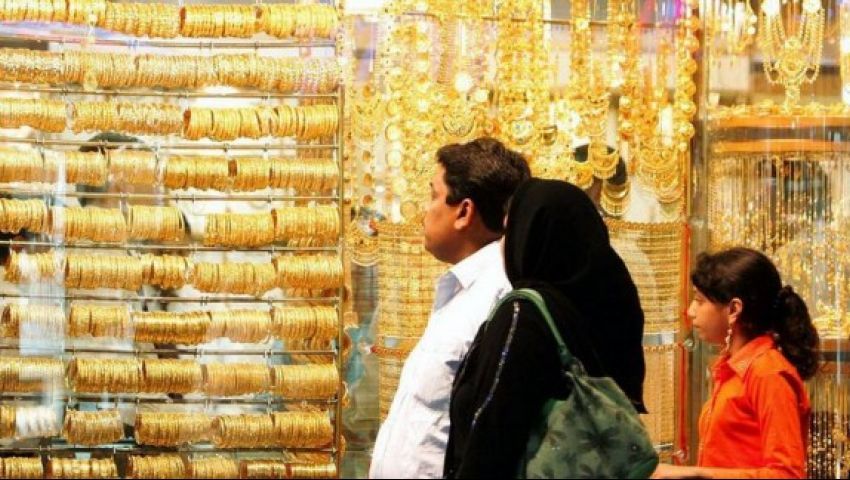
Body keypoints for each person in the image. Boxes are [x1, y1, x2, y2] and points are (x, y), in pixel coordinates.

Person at [444, 179, 647, 479]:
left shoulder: (524, 315)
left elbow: (492, 437)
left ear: (531, 235)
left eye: (509, 231)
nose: (504, 245)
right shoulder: (611, 304)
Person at [369, 138, 531, 479]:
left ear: (464, 212)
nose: (425, 211)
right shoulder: (462, 292)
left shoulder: (499, 299)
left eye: (434, 196)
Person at [653, 248, 819, 479]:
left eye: (700, 301)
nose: (690, 311)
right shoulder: (733, 366)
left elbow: (787, 474)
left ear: (733, 309)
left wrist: (695, 474)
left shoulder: (767, 372)